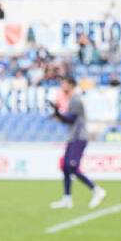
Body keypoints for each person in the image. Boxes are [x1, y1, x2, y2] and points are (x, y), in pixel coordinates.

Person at [48, 76, 106, 210]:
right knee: (65, 167)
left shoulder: (76, 100)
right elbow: (68, 119)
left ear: (71, 85)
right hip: (73, 137)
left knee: (72, 167)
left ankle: (96, 189)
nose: (62, 87)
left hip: (78, 137)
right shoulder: (72, 100)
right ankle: (67, 198)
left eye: (64, 84)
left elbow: (70, 118)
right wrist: (58, 115)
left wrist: (57, 112)